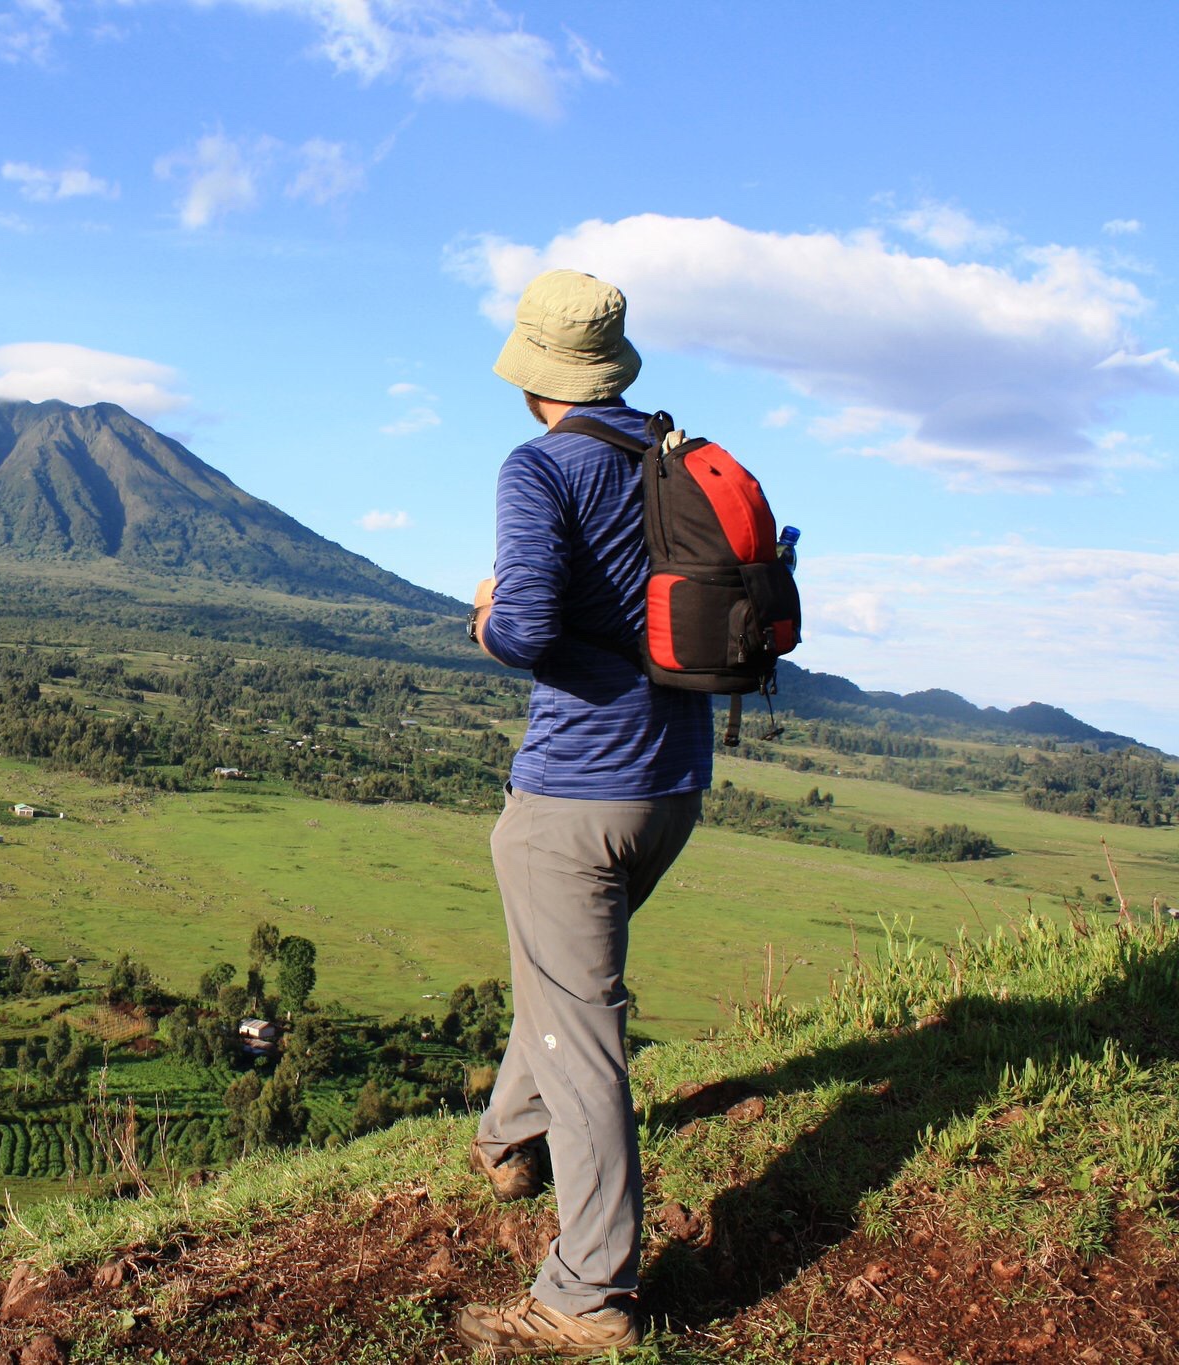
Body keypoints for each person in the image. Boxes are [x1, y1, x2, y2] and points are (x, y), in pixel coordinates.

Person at [457, 269, 712, 1356]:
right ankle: (507, 1141)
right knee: (556, 980)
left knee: (581, 1027)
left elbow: (521, 628)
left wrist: (479, 618)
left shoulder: (540, 467)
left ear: (532, 376)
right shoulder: (676, 460)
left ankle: (585, 1294)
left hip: (574, 792)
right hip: (674, 786)